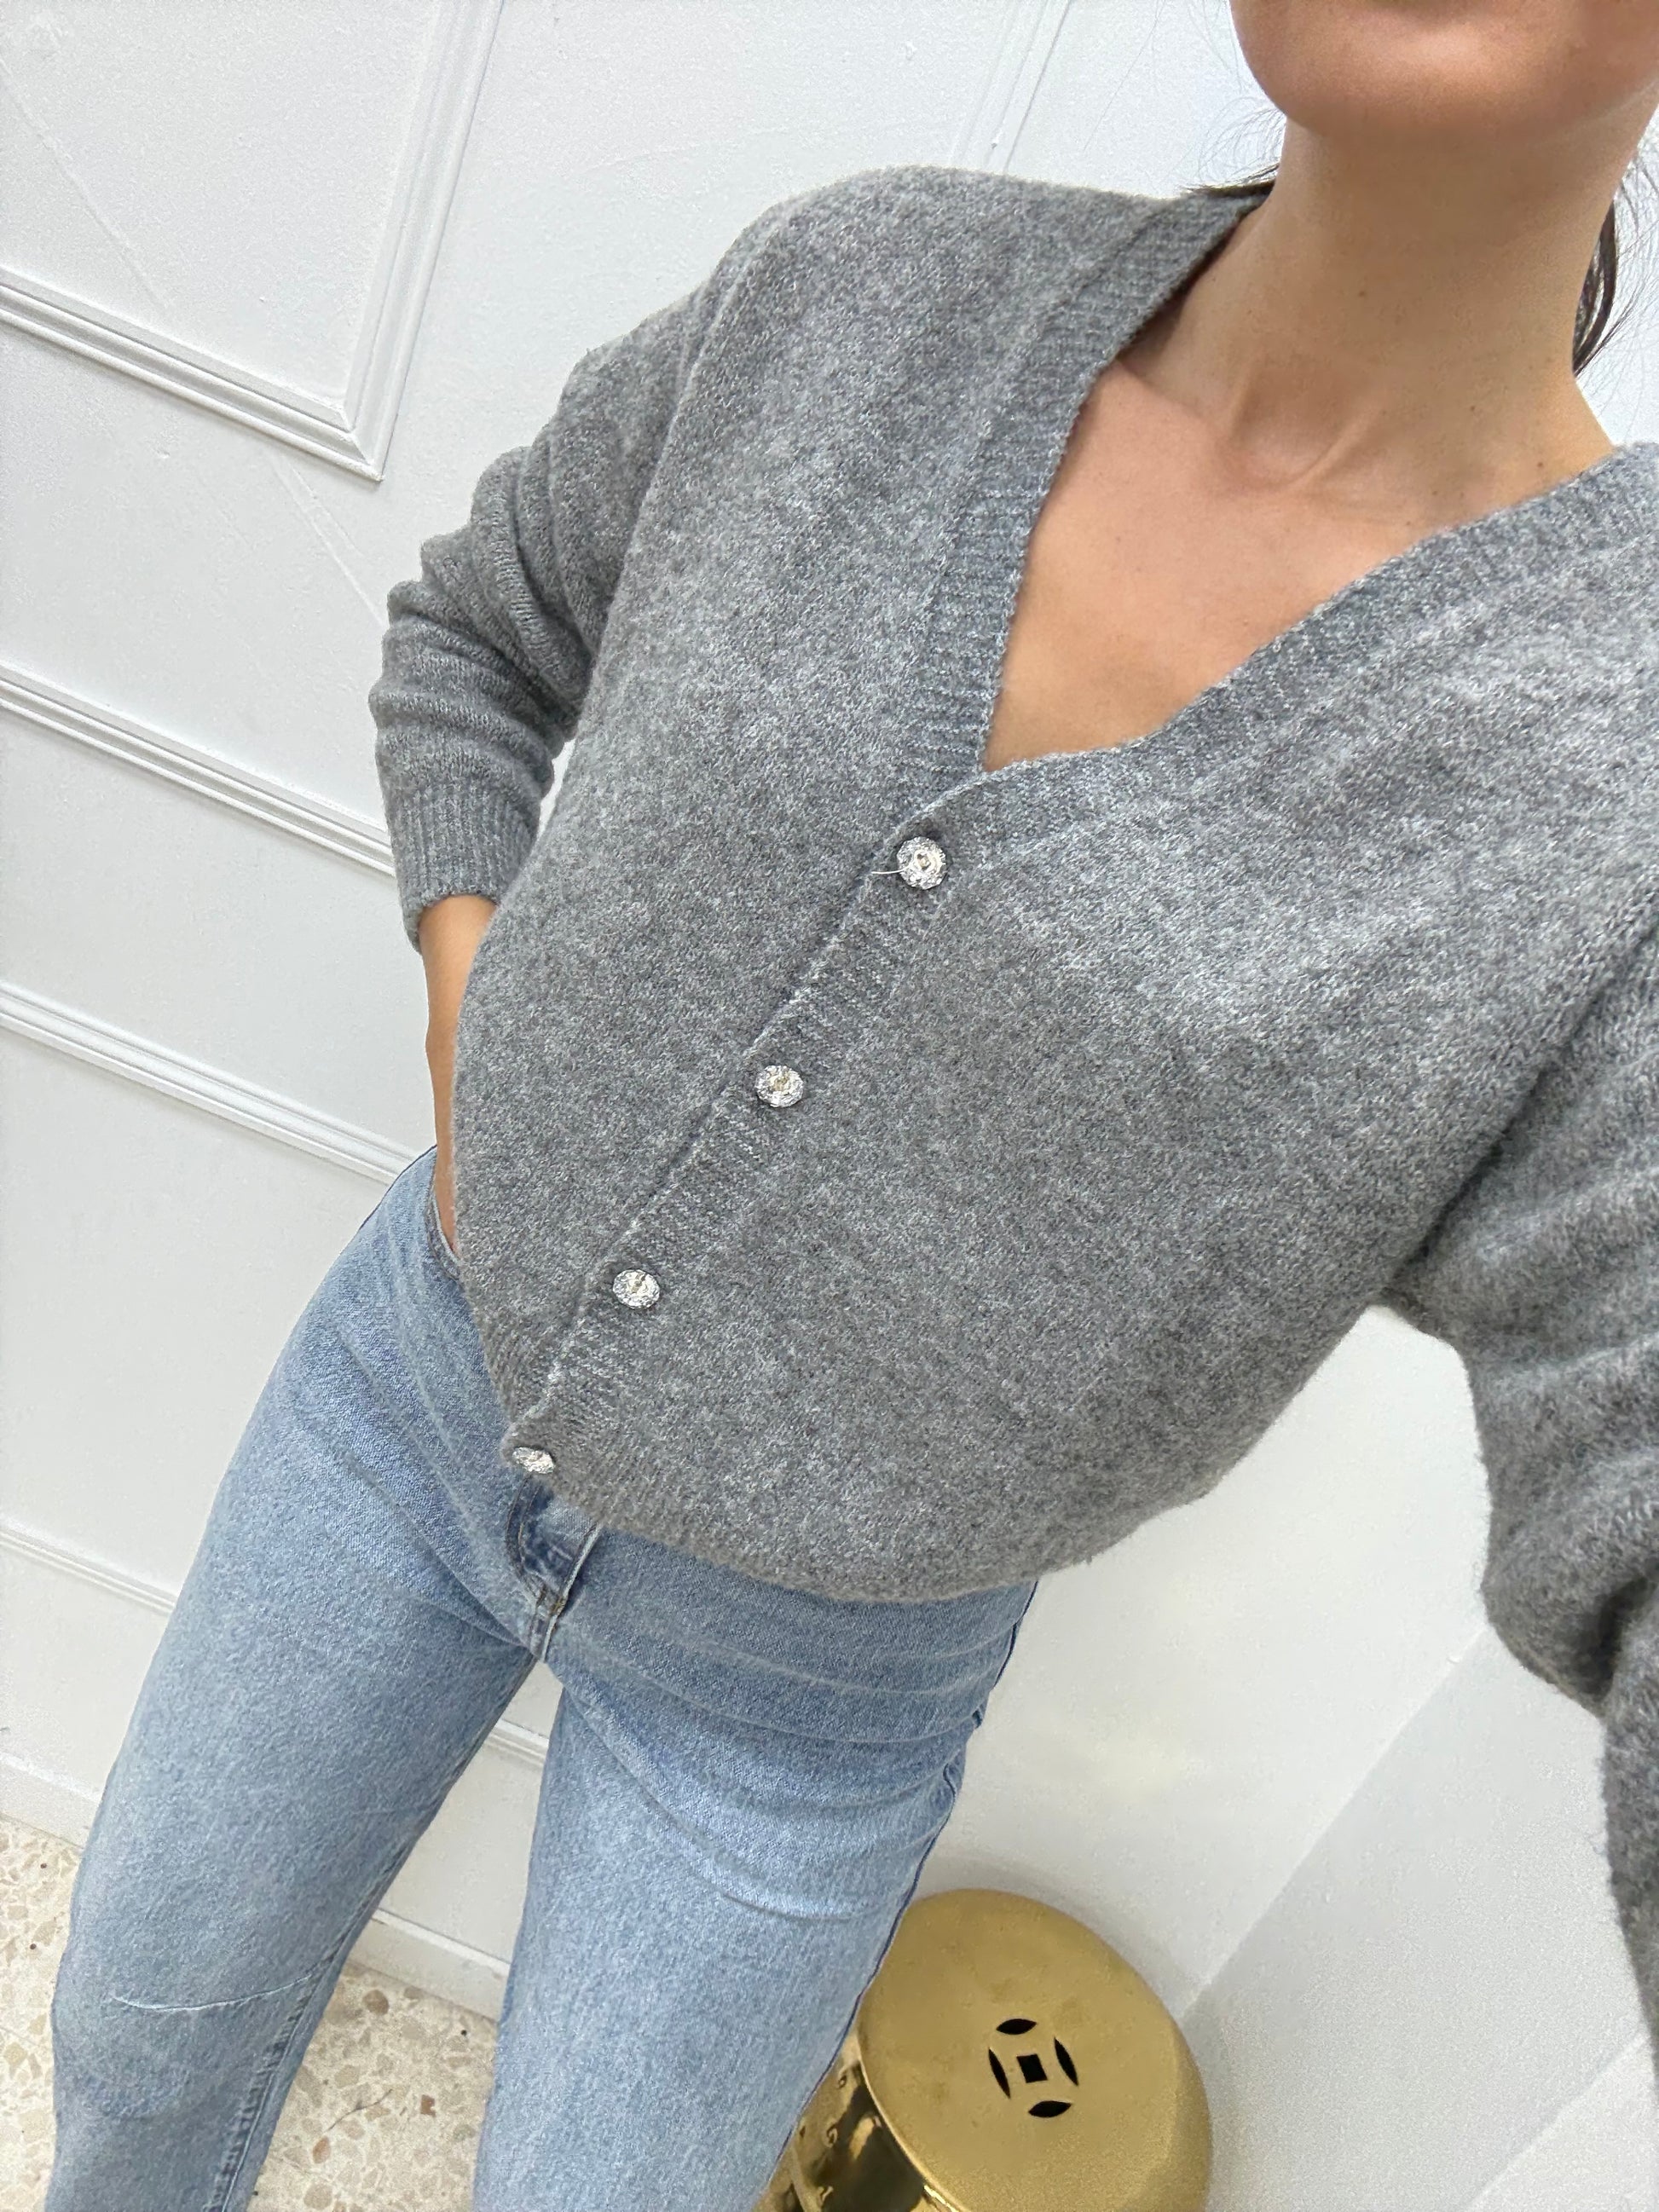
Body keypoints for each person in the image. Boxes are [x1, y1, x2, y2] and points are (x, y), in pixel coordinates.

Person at [43, 3, 1659, 2205]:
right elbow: (479, 636)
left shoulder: (1614, 767)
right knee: (136, 2028)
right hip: (399, 1397)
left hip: (795, 1696)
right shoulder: (861, 296)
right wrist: (471, 1016)